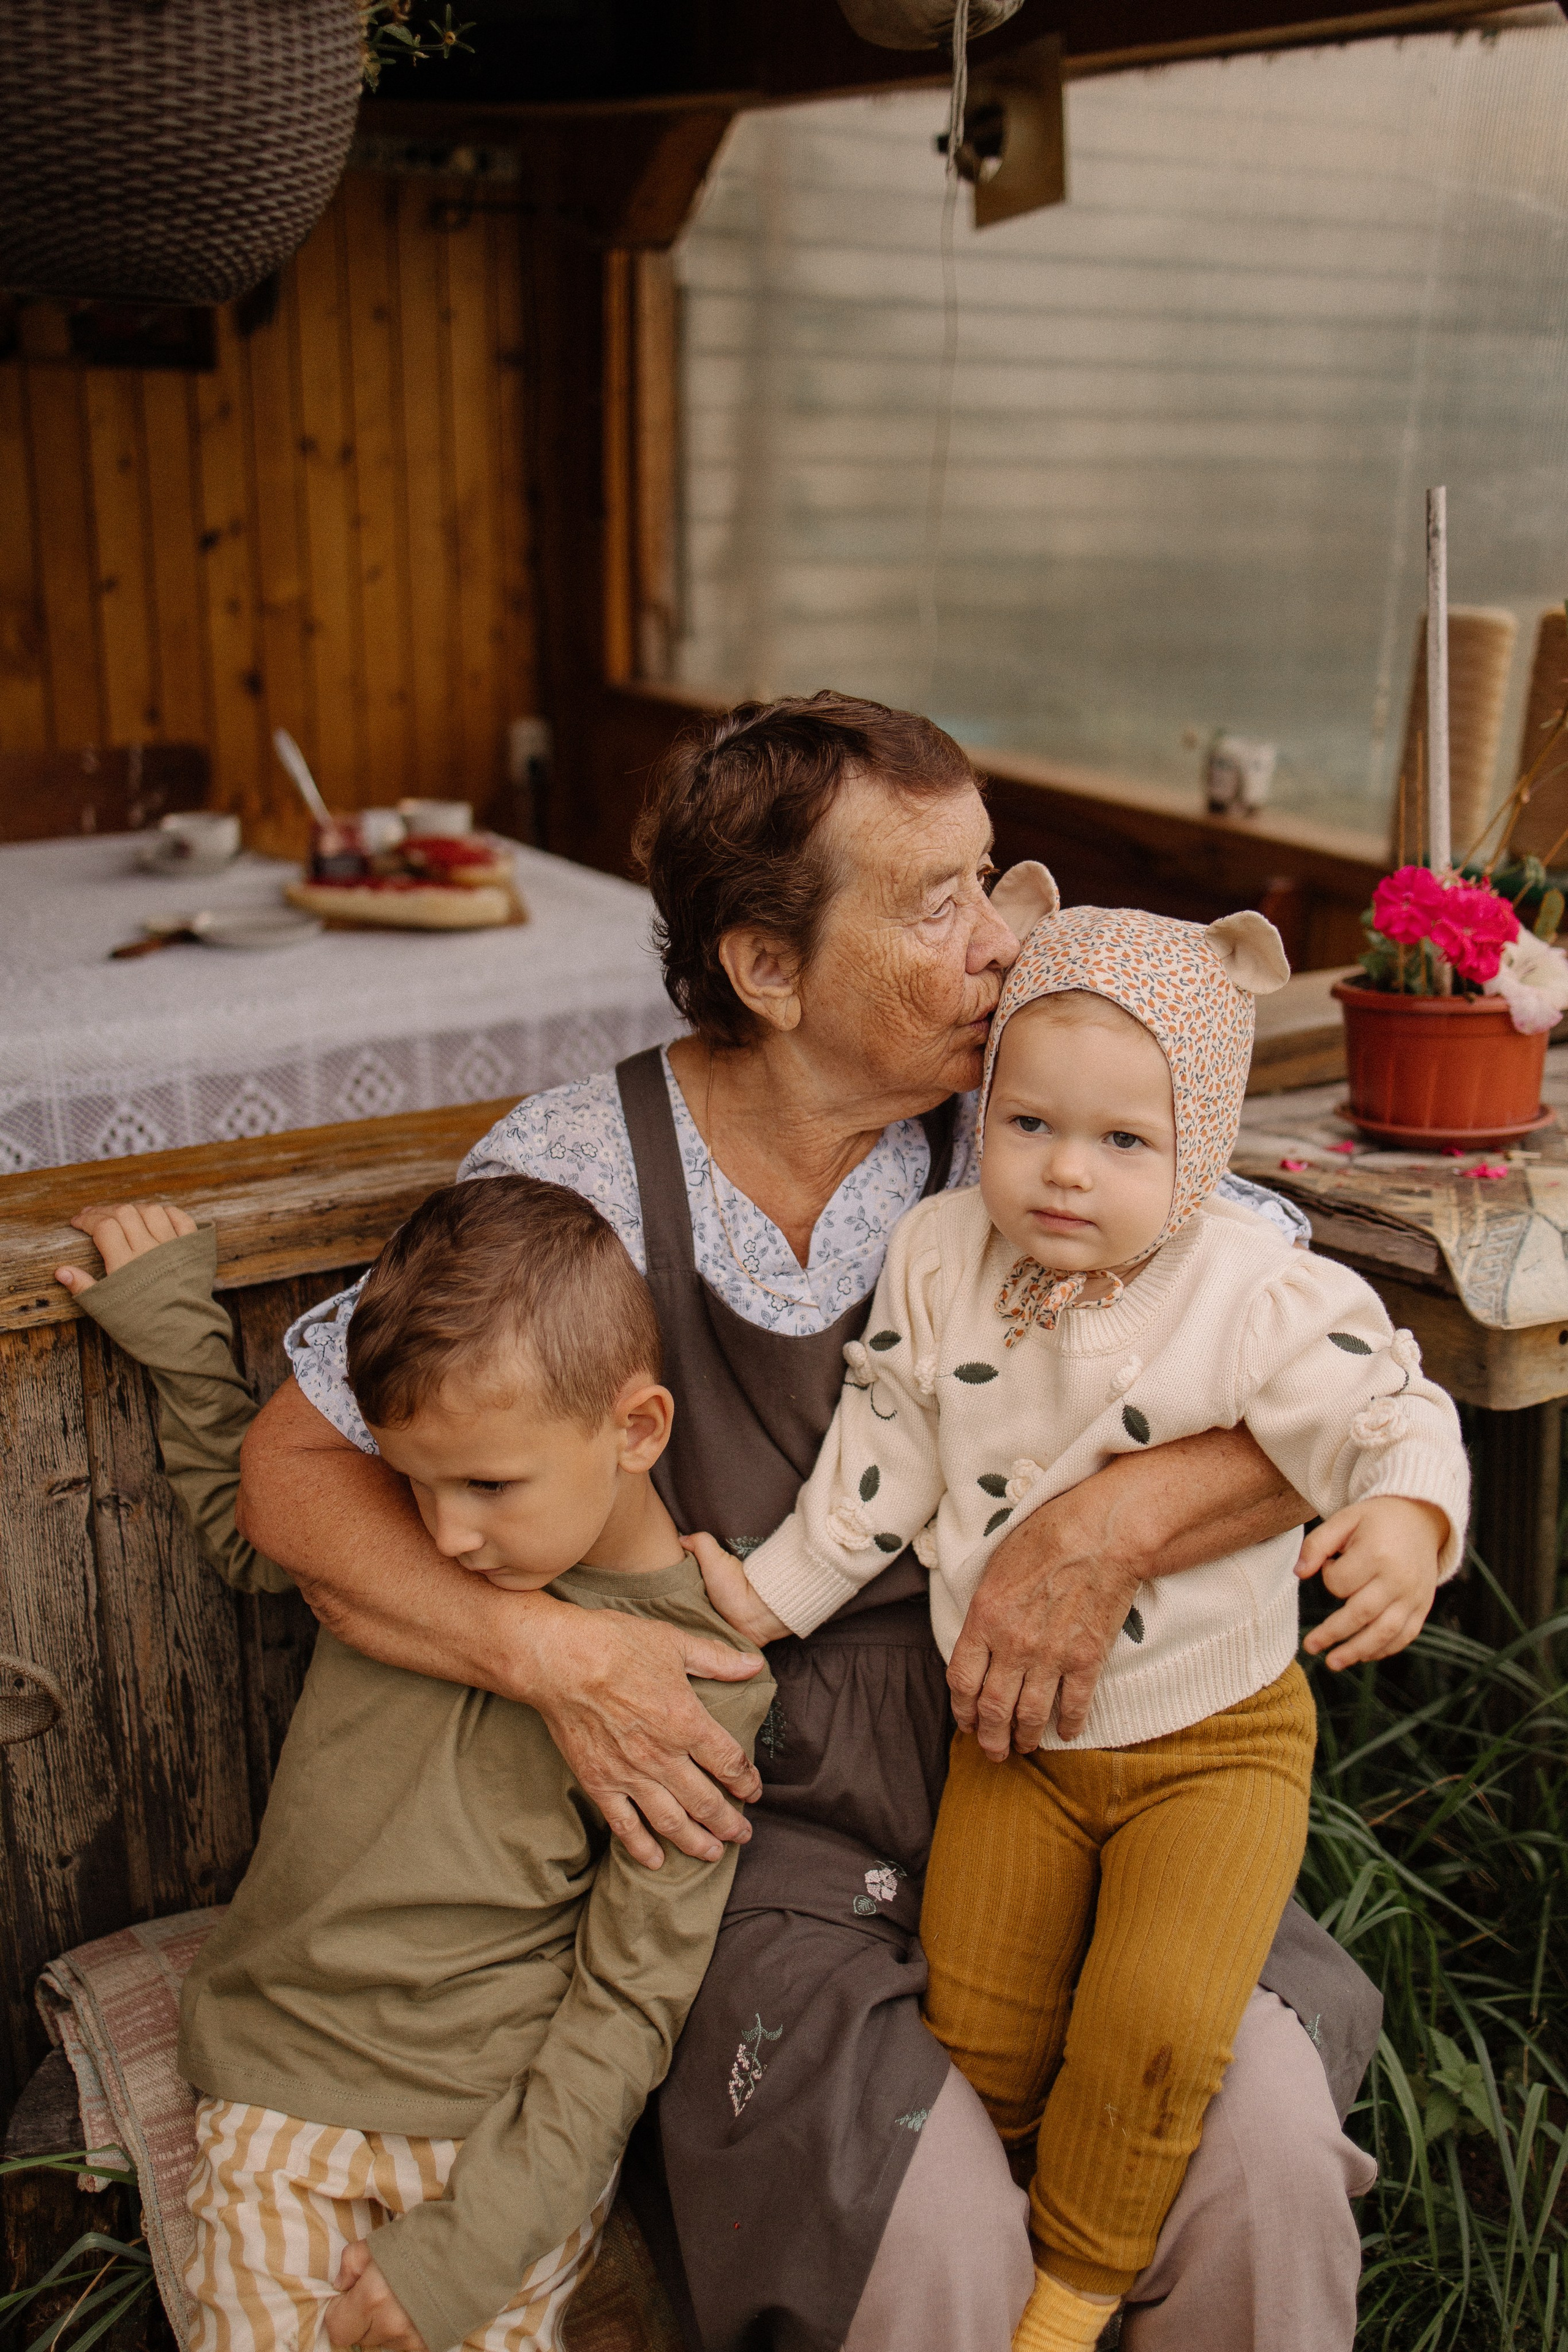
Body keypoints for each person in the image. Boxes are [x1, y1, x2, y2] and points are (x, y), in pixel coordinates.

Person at [236, 692, 1382, 2352]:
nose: (1002, 944)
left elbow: (1341, 1385)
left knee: (1261, 2142)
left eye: (988, 879)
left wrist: (1112, 1525)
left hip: (1083, 1759)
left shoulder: (1045, 1122)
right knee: (922, 2227)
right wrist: (550, 1655)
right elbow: (290, 1471)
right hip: (762, 1826)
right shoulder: (582, 1172)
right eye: (937, 903)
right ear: (768, 968)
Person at [690, 896, 1469, 2352]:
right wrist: (766, 1594)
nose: (1063, 1171)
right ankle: (990, 2256)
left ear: (1198, 1146)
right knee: (978, 2025)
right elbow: (881, 1457)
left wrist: (1408, 1519)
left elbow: (1385, 1407)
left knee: (1154, 2025)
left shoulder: (1248, 1287)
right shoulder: (941, 1255)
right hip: (1016, 1741)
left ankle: (1075, 2296)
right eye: (1028, 1123)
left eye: (1122, 1141)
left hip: (1209, 1746)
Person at [57, 1180, 774, 2352]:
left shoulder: (700, 1685)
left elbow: (630, 2000)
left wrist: (474, 2247)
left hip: (491, 2143)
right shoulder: (408, 1558)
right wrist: (178, 1328)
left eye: (488, 1485)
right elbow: (250, 1533)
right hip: (281, 2088)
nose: (445, 1535)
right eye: (413, 1482)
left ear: (638, 1430)